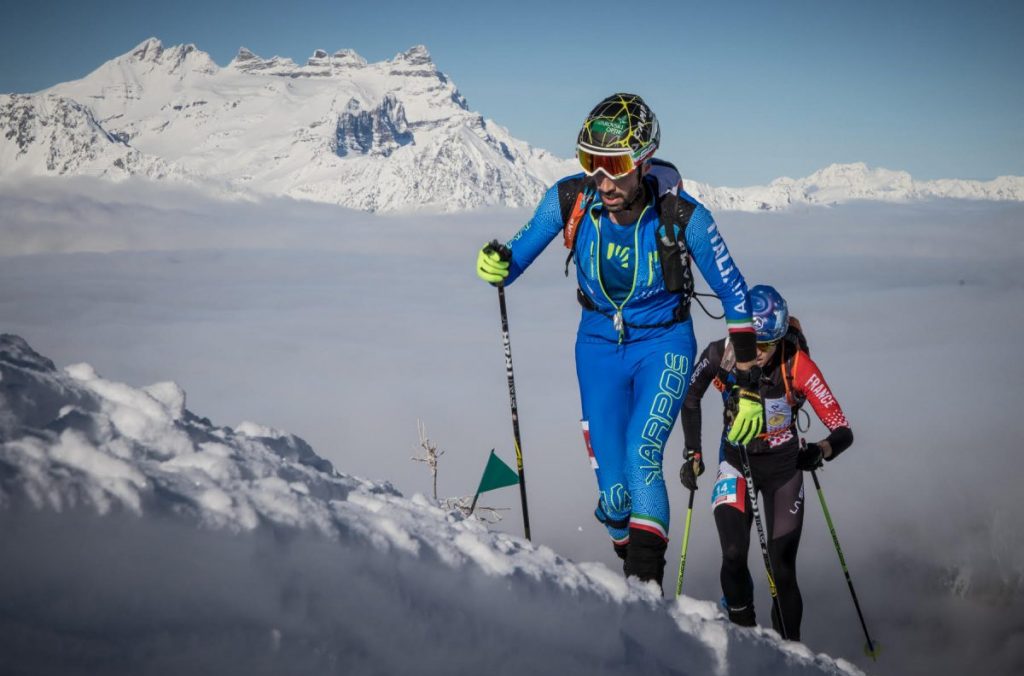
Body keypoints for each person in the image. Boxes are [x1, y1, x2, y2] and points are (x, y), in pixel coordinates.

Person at [475, 93, 763, 592]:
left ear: (644, 162)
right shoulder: (570, 200)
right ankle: (631, 569)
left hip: (665, 343)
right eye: (591, 162)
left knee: (641, 454)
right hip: (597, 347)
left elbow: (736, 294)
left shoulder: (683, 216)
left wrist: (751, 383)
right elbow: (514, 259)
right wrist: (497, 264)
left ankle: (644, 594)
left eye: (615, 165)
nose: (602, 179)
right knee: (613, 495)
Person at [680, 284, 853, 639]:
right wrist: (692, 453)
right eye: (751, 343)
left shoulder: (798, 365)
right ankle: (743, 634)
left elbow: (842, 429)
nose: (756, 353)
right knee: (732, 553)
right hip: (735, 460)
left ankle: (790, 655)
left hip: (784, 469)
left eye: (765, 345)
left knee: (782, 569)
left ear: (779, 339)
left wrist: (819, 451)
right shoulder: (721, 353)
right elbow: (690, 398)